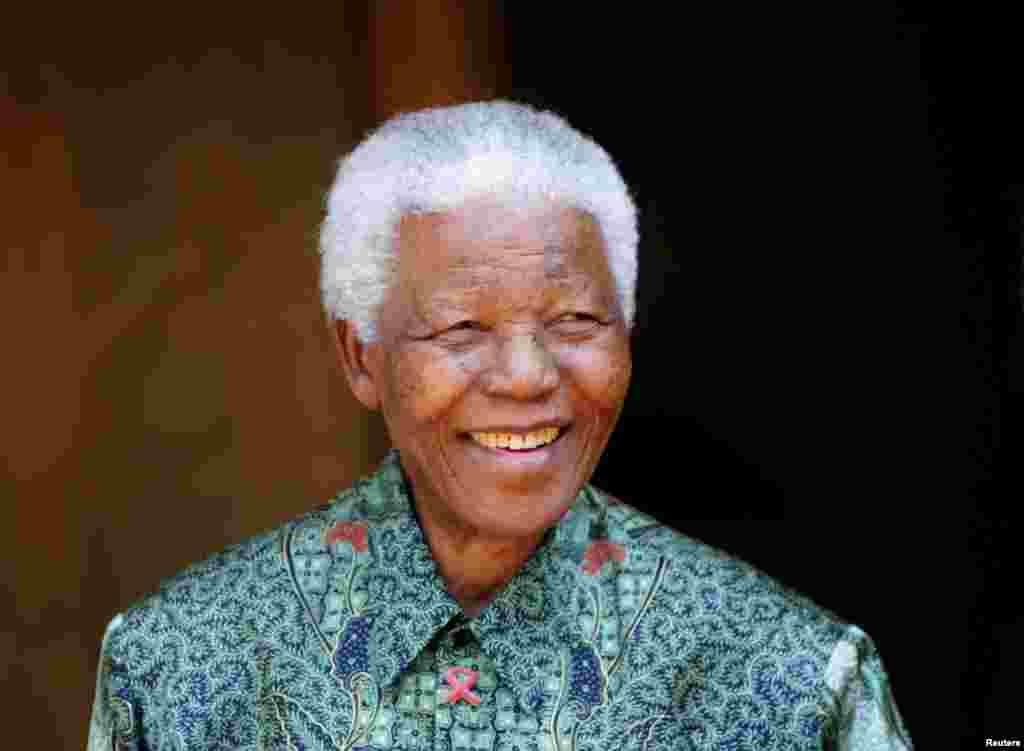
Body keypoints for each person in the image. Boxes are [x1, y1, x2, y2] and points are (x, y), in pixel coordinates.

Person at [87, 100, 914, 750]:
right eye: (461, 329)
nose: (527, 377)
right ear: (361, 356)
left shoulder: (794, 678)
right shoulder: (183, 668)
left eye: (577, 321)